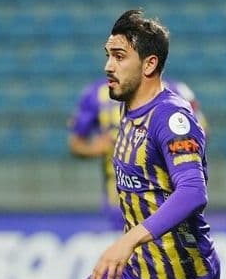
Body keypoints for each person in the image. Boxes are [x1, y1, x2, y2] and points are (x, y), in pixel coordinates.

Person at [37, 9, 219, 279]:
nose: (108, 65)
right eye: (107, 54)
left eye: (119, 56)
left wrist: (129, 238)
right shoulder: (126, 110)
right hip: (132, 273)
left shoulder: (171, 117)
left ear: (150, 63)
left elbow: (193, 191)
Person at [69, 76, 206, 230]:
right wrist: (94, 148)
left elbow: (202, 131)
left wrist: (171, 142)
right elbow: (75, 144)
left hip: (167, 200)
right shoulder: (96, 93)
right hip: (120, 202)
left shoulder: (177, 90)